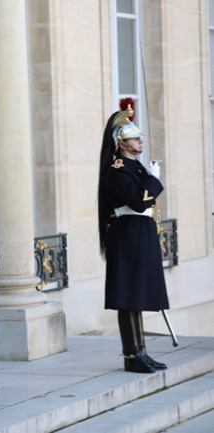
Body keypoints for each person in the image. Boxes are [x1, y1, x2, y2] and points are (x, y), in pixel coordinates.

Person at [97, 98, 169, 373]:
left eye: (139, 139)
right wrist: (153, 179)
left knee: (137, 294)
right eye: (135, 139)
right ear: (122, 143)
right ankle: (131, 354)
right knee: (128, 296)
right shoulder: (118, 169)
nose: (140, 142)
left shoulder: (134, 167)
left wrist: (148, 178)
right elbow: (140, 201)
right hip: (127, 233)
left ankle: (141, 350)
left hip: (140, 232)